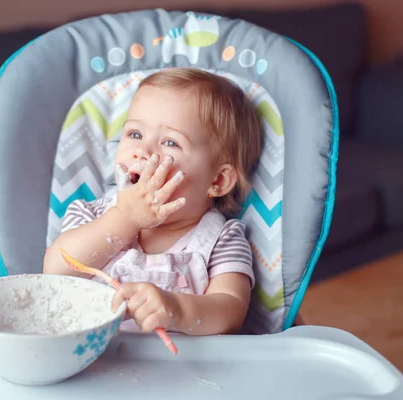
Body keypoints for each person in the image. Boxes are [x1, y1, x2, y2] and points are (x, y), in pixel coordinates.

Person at [43, 67, 263, 335]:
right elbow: (55, 272)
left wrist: (179, 310)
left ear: (216, 181)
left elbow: (231, 310)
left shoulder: (222, 239)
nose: (142, 151)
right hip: (91, 363)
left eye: (170, 143)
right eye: (135, 134)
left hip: (178, 372)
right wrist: (124, 218)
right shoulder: (91, 215)